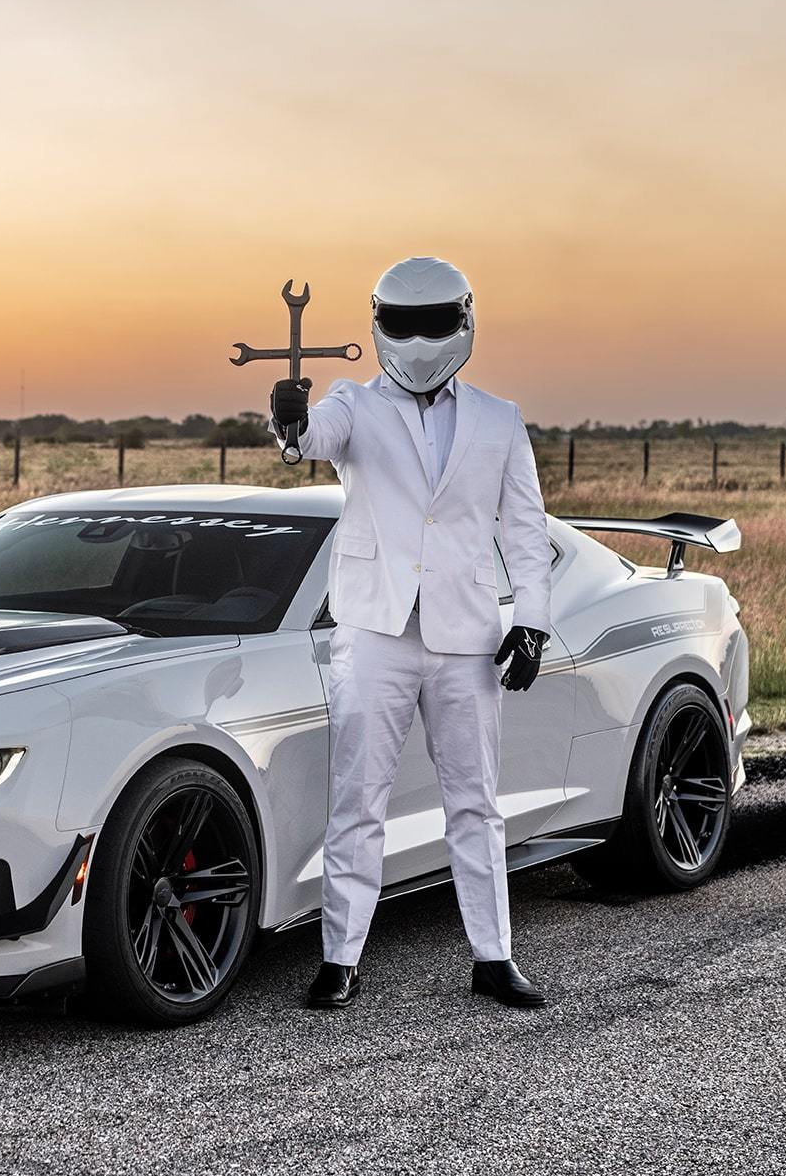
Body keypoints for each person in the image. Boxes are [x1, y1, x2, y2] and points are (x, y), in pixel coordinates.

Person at [269, 256, 553, 1010]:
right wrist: (289, 419)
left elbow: (526, 530)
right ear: (378, 323)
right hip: (375, 634)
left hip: (468, 638)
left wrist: (531, 621)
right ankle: (340, 960)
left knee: (476, 803)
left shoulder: (499, 419)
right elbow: (313, 437)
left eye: (432, 323)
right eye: (403, 323)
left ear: (464, 320)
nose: (419, 338)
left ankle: (494, 957)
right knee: (357, 800)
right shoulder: (352, 404)